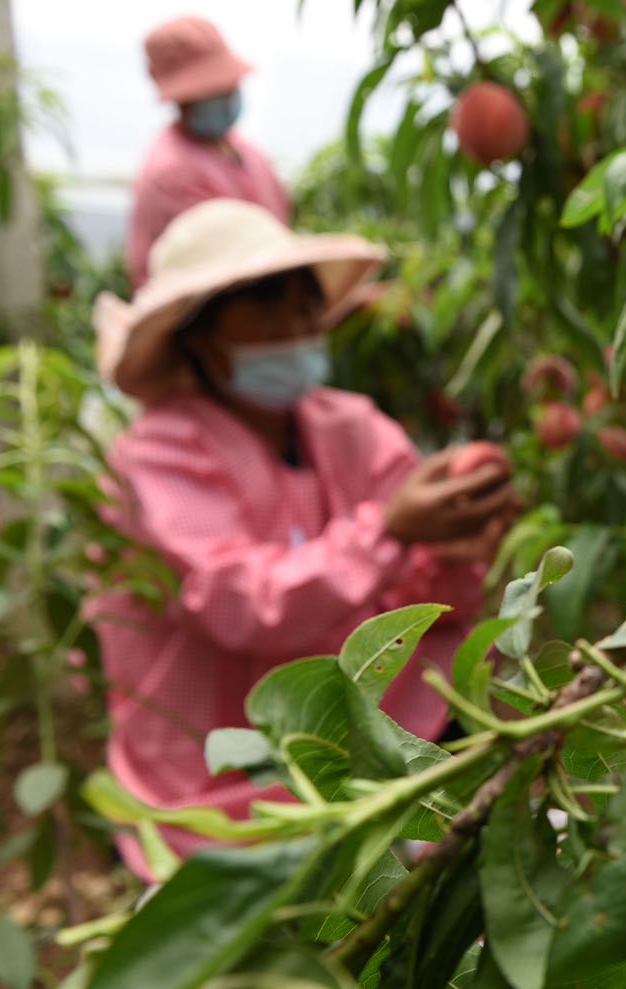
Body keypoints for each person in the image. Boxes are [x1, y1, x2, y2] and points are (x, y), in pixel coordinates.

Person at [92, 198, 518, 881]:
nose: (293, 326)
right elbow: (237, 600)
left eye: (302, 305)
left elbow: (423, 598)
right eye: (264, 307)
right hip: (213, 763)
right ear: (196, 335)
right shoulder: (155, 456)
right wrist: (389, 529)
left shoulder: (348, 425)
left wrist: (460, 543)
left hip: (355, 733)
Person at [126, 16, 290, 289]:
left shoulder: (243, 149)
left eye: (230, 87)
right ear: (183, 100)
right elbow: (222, 274)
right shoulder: (171, 174)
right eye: (216, 90)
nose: (228, 97)